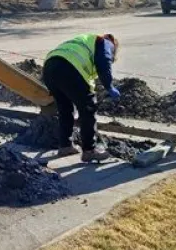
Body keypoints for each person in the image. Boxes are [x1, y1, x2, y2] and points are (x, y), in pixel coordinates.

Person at [42, 33, 121, 163]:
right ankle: (89, 150)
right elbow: (104, 62)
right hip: (69, 68)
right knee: (88, 109)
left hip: (50, 67)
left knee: (65, 109)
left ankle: (65, 146)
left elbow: (88, 78)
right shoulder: (105, 42)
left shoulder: (85, 41)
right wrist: (109, 86)